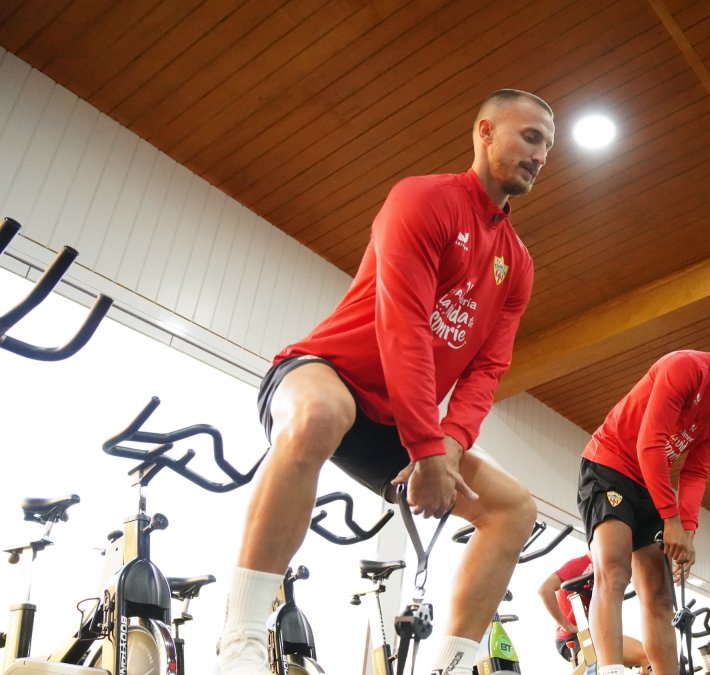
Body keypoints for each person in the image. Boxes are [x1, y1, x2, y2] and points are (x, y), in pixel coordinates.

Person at [212, 88, 555, 675]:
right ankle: (240, 643)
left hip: (398, 417)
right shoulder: (422, 199)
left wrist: (449, 444)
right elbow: (405, 327)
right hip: (325, 375)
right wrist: (426, 449)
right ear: (485, 131)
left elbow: (489, 368)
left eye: (547, 146)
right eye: (530, 137)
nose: (540, 154)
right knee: (321, 416)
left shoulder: (516, 263)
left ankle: (448, 667)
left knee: (515, 510)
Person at [580, 329, 710, 675]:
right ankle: (610, 670)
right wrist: (671, 518)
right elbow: (649, 443)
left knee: (661, 594)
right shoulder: (684, 368)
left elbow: (695, 471)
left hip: (651, 480)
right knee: (614, 571)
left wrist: (687, 531)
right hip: (610, 465)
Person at [536, 552, 648, 669]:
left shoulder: (610, 567)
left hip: (598, 634)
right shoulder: (579, 564)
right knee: (640, 657)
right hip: (574, 637)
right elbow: (544, 589)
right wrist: (566, 625)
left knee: (649, 658)